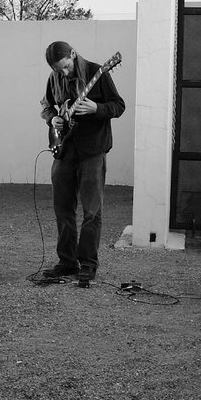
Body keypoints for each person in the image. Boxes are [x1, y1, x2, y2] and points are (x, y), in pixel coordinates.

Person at [40, 41, 125, 287]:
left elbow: (119, 106)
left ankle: (87, 263)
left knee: (91, 210)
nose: (63, 73)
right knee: (62, 208)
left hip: (92, 151)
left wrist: (97, 108)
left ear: (73, 55)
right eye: (58, 70)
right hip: (64, 150)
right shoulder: (53, 77)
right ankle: (67, 262)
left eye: (65, 66)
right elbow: (46, 105)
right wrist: (53, 118)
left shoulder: (99, 73)